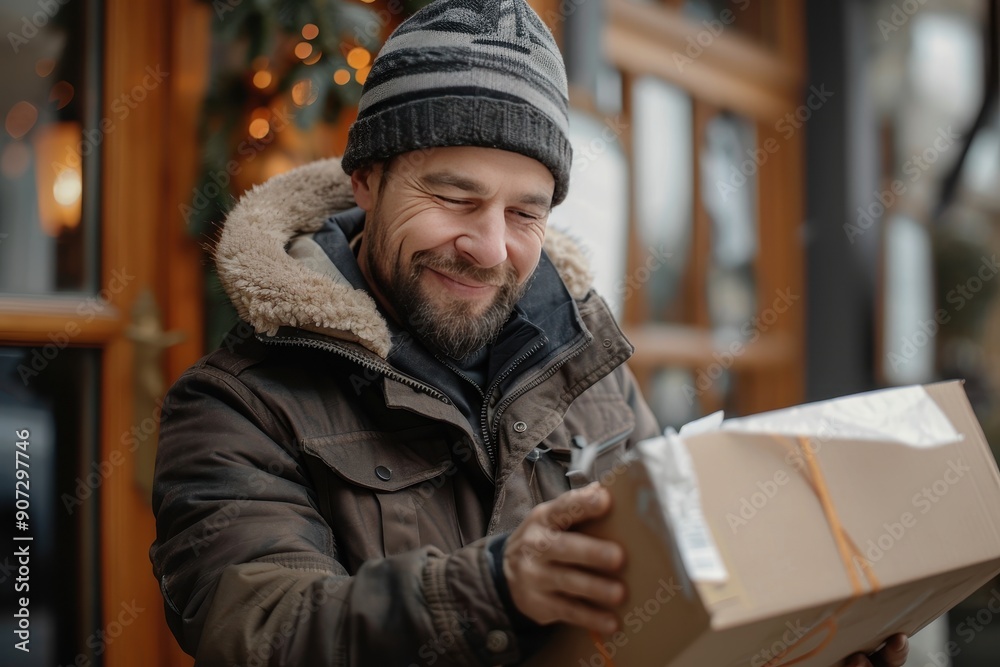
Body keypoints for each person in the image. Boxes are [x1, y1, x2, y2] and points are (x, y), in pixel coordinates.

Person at [149, 0, 910, 665]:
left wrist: (801, 646)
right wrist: (493, 587)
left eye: (524, 213)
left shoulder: (589, 366)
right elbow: (263, 632)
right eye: (453, 196)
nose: (488, 247)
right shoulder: (234, 407)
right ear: (367, 181)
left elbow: (672, 602)